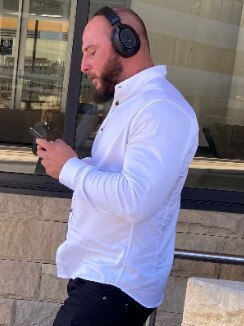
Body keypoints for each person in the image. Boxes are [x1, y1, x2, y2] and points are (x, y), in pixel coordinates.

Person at [36, 6, 199, 326]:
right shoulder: (134, 103)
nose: (83, 65)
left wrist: (69, 168)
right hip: (103, 278)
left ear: (128, 42)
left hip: (115, 283)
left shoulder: (161, 108)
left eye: (91, 51)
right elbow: (119, 175)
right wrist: (71, 160)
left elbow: (136, 198)